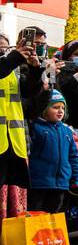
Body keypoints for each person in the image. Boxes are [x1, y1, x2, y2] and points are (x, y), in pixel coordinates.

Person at [0, 33, 44, 218]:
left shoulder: (13, 68)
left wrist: (35, 70)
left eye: (5, 47)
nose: (3, 51)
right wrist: (15, 57)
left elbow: (28, 95)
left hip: (12, 143)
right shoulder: (8, 64)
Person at [28, 90, 78, 214]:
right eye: (55, 107)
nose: (60, 111)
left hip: (61, 184)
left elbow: (73, 156)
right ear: (44, 108)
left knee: (54, 217)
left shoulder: (66, 131)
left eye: (63, 107)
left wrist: (76, 176)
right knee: (35, 216)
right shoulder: (35, 127)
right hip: (39, 184)